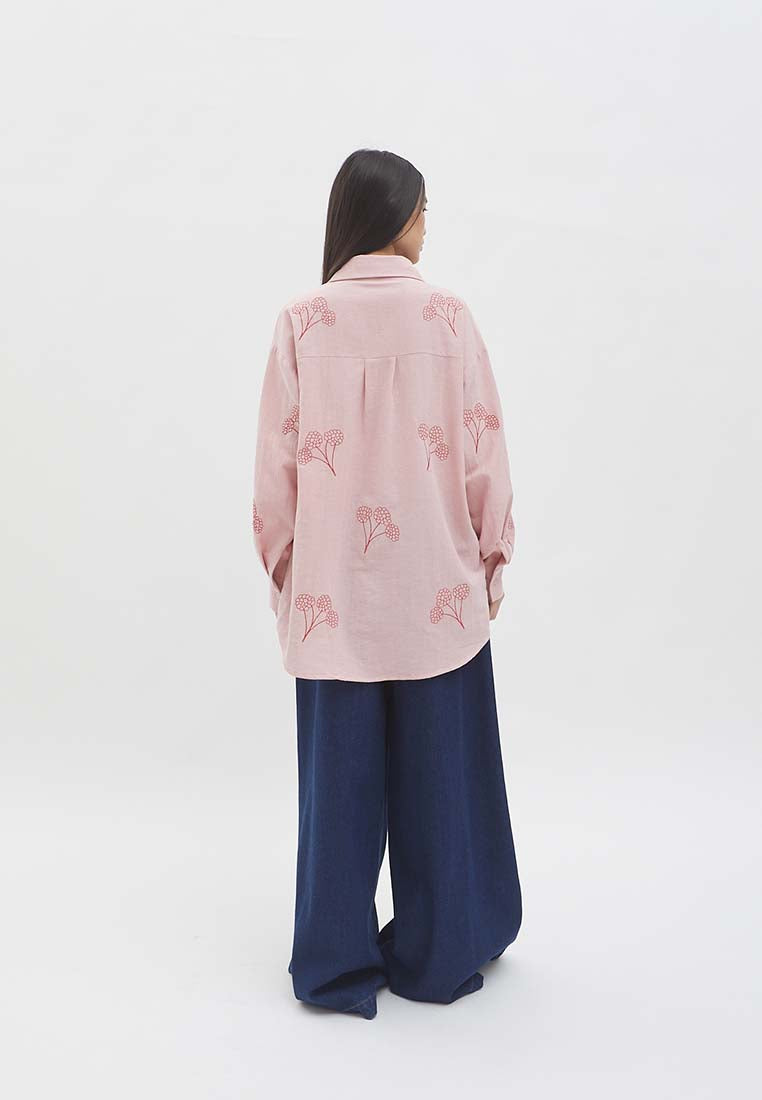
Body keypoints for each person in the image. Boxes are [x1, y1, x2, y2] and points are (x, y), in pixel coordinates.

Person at [252, 148, 522, 1019]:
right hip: (437, 594)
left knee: (337, 796)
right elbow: (483, 448)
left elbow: (275, 477)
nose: (427, 225)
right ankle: (439, 955)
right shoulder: (448, 318)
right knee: (443, 787)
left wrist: (291, 575)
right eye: (423, 210)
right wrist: (491, 561)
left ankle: (335, 965)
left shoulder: (302, 322)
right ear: (397, 216)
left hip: (332, 604)